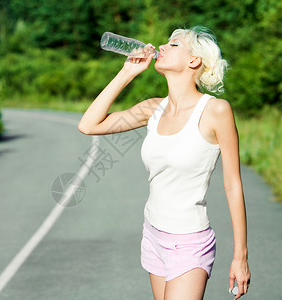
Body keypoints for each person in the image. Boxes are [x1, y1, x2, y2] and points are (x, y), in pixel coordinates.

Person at [78, 25, 251, 300]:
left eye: (174, 45)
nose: (161, 47)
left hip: (189, 242)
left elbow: (232, 185)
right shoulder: (152, 108)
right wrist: (127, 73)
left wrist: (240, 256)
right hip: (153, 234)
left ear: (194, 60)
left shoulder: (216, 110)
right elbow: (89, 125)